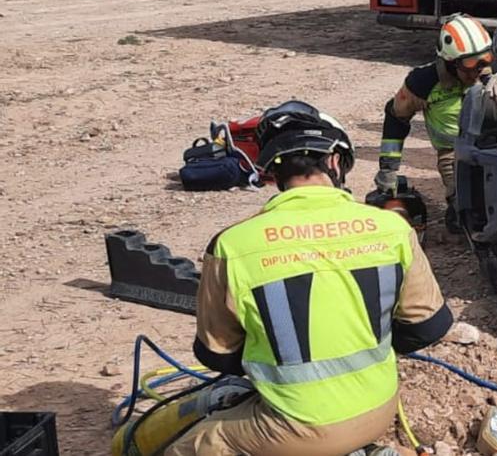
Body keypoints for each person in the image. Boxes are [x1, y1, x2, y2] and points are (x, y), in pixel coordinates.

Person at [171, 101, 452, 455]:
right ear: (335, 161)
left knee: (188, 447)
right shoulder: (393, 228)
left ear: (273, 172)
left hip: (295, 430)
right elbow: (428, 326)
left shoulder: (234, 245)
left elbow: (217, 353)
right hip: (380, 411)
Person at [369, 14, 494, 234]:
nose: (478, 72)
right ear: (450, 62)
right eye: (470, 66)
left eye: (485, 61)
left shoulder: (485, 73)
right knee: (468, 206)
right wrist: (388, 170)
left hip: (493, 145)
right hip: (454, 153)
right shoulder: (422, 83)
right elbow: (396, 119)